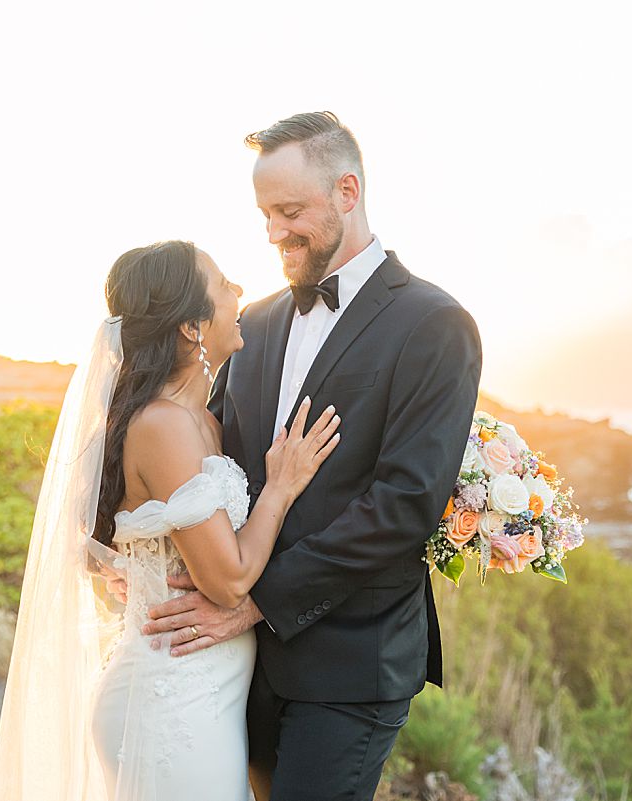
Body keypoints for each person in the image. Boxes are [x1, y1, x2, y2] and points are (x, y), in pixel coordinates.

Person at [143, 112, 484, 801]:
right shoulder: (254, 323)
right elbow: (207, 462)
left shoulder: (435, 323)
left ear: (348, 192)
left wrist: (257, 602)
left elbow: (405, 506)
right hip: (233, 665)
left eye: (290, 211)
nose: (273, 231)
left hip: (352, 664)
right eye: (265, 213)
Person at [0, 239, 341, 800]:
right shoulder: (164, 426)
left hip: (201, 695)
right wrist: (282, 485)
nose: (239, 290)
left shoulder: (200, 421)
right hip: (171, 703)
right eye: (224, 284)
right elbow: (227, 581)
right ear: (193, 327)